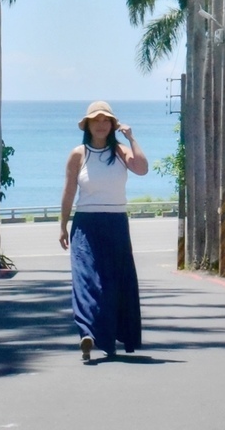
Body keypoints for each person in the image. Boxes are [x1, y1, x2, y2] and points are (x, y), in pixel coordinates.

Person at [59, 100, 149, 362]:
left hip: (116, 223)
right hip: (86, 224)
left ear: (112, 125)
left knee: (114, 284)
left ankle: (108, 337)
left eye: (106, 120)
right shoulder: (78, 154)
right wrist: (62, 224)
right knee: (86, 279)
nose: (101, 124)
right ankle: (87, 333)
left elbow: (142, 169)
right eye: (96, 120)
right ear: (87, 125)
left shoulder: (120, 152)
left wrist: (131, 137)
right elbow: (69, 191)